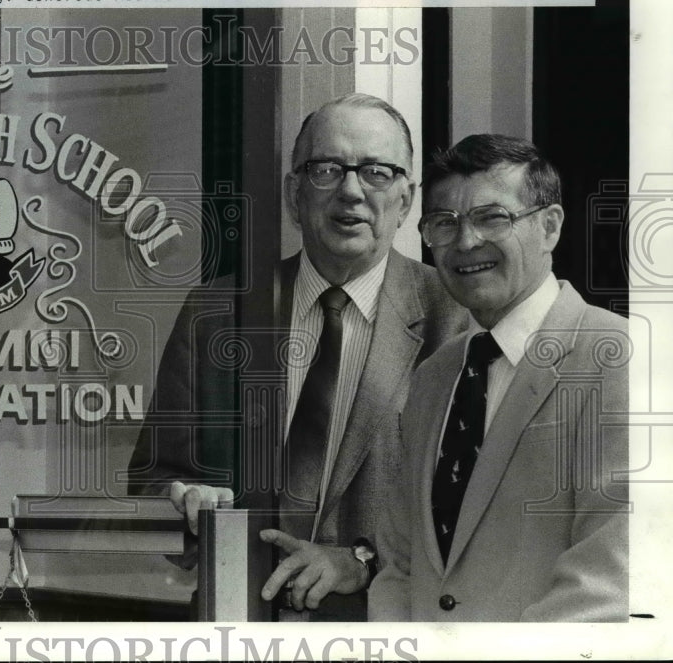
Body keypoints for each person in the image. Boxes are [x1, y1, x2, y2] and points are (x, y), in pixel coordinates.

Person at [127, 93, 468, 618]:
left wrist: (361, 559)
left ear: (406, 200)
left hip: (385, 632)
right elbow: (150, 480)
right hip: (235, 624)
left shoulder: (455, 320)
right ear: (295, 193)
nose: (351, 191)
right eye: (326, 169)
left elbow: (471, 509)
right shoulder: (217, 312)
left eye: (377, 172)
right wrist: (183, 501)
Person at [368, 134, 629, 621]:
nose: (466, 242)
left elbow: (608, 584)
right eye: (444, 223)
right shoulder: (433, 378)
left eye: (493, 218)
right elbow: (400, 566)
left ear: (550, 227)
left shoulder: (618, 359)